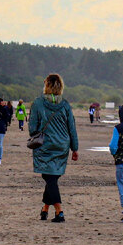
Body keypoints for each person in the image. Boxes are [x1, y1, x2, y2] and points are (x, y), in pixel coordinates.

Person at [29, 73, 79, 222]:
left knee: (49, 177)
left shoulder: (38, 103)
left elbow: (32, 128)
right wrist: (74, 148)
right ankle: (45, 210)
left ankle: (59, 211)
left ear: (46, 86)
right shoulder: (65, 105)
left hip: (45, 145)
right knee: (52, 177)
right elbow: (72, 128)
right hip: (62, 145)